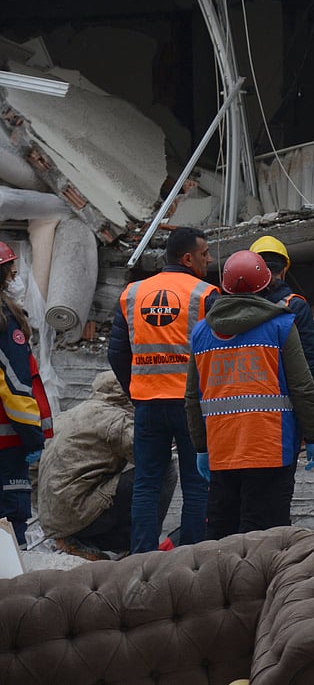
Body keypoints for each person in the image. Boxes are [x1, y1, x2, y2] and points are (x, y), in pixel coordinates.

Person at [185, 251, 314, 539]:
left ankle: (223, 585)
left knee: (222, 535)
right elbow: (302, 386)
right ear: (266, 283)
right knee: (266, 538)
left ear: (224, 285)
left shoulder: (201, 333)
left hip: (222, 449)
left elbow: (193, 397)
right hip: (271, 447)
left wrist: (201, 446)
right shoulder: (281, 326)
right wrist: (312, 436)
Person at [109, 226, 217, 553]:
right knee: (197, 486)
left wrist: (137, 389)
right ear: (187, 258)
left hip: (147, 405)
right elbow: (217, 353)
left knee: (146, 484)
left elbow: (116, 353)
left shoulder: (132, 294)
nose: (209, 260)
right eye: (204, 254)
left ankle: (141, 559)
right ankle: (193, 560)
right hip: (192, 408)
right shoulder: (206, 294)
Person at [38, 370, 174, 558]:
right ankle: (141, 546)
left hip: (53, 519)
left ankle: (76, 539)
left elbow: (34, 466)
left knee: (117, 480)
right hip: (78, 512)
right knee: (163, 467)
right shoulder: (115, 419)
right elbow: (149, 455)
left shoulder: (65, 416)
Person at [0, 241, 52, 547]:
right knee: (11, 521)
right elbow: (16, 386)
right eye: (12, 272)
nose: (16, 278)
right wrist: (33, 436)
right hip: (8, 443)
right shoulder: (6, 325)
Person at [250, 235, 314, 393]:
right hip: (285, 393)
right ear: (284, 270)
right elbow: (311, 358)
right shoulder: (296, 305)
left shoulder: (240, 305)